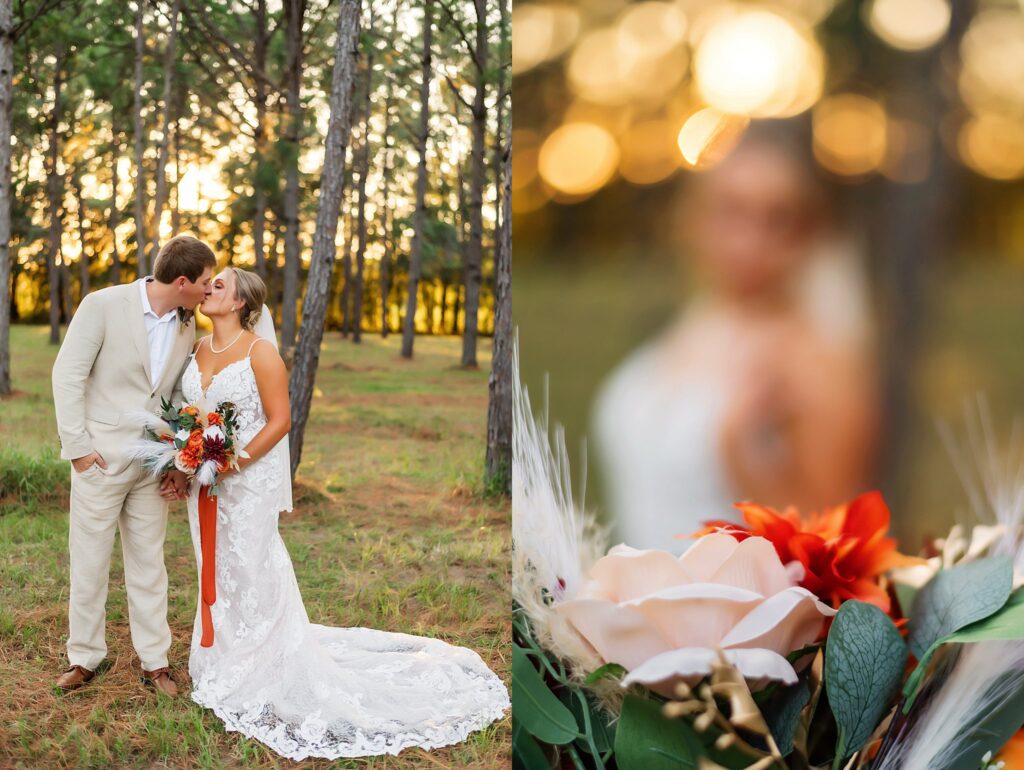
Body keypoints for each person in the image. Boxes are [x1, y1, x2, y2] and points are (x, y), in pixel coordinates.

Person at [176, 267, 509, 760]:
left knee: (249, 563)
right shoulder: (199, 348)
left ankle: (264, 660)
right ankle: (220, 655)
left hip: (243, 479)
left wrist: (231, 463)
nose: (209, 290)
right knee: (214, 563)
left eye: (220, 285)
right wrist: (189, 452)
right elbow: (190, 410)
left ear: (243, 301)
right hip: (201, 481)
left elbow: (281, 419)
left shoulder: (259, 353)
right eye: (210, 284)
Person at [592, 130, 880, 553]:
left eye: (776, 219)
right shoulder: (692, 325)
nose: (750, 242)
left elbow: (833, 555)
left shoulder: (818, 362)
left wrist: (741, 453)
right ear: (696, 219)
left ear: (804, 236)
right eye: (732, 212)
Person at [50, 235, 216, 693]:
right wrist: (79, 449)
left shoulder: (186, 323)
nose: (209, 289)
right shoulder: (102, 304)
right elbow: (67, 374)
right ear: (182, 282)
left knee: (150, 564)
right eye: (204, 282)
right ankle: (84, 657)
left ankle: (154, 662)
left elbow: (176, 395)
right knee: (90, 562)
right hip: (99, 460)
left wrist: (178, 458)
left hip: (152, 465)